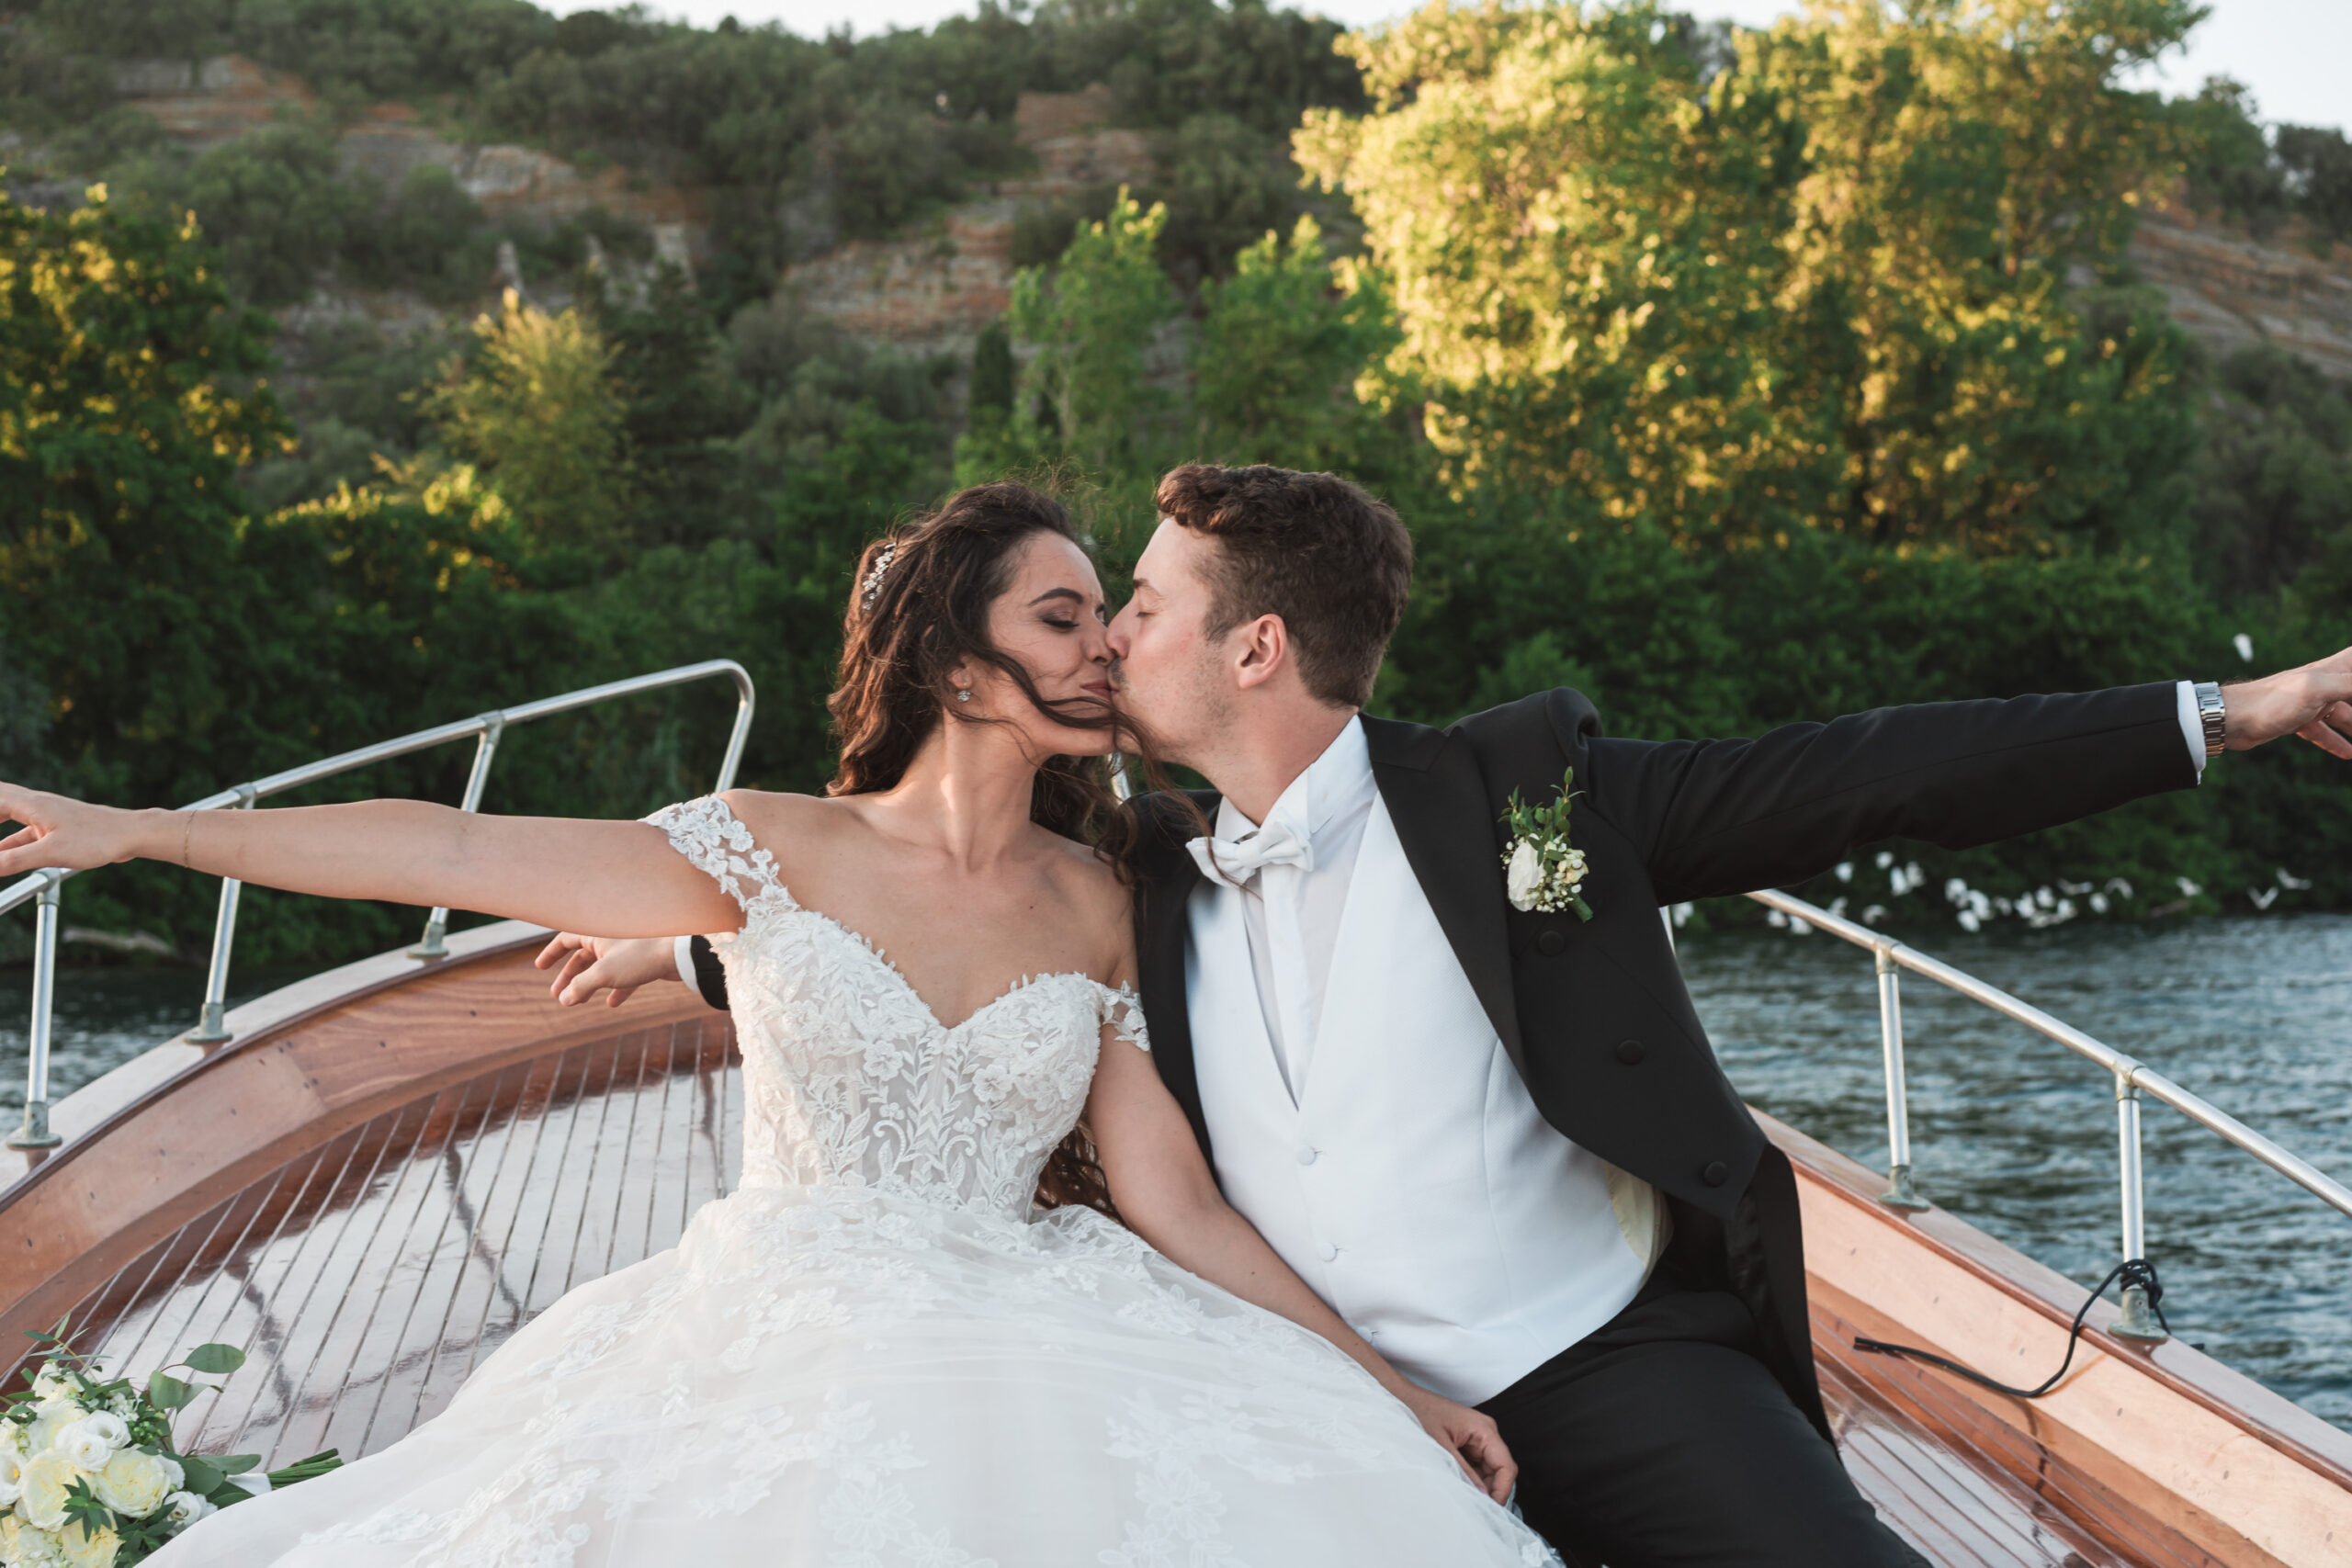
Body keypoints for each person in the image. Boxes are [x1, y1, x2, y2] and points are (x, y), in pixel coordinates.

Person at [564, 463, 2352, 1568]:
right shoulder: (1145, 876)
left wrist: (2235, 710)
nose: (1107, 636)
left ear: (1251, 647)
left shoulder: (1532, 799)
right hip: (1312, 1389)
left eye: (1143, 605)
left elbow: (1863, 773)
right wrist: (694, 944)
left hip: (1606, 1363)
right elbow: (926, 943)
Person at [0, 483, 1559, 1567]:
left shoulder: (1105, 902)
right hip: (785, 1304)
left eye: (1111, 616)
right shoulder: (763, 846)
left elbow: (1176, 1203)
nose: (1108, 648)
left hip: (1036, 1312)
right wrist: (145, 831)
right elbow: (457, 852)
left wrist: (1390, 1388)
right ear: (960, 661)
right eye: (1068, 614)